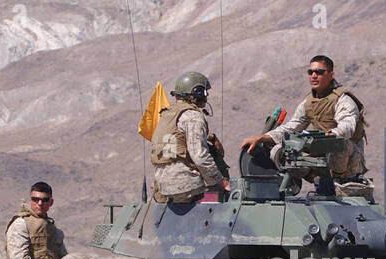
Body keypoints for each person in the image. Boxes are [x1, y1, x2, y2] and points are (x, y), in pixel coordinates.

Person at [239, 55, 372, 199]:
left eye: (319, 72)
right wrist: (262, 138)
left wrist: (333, 134)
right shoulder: (309, 103)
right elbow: (292, 127)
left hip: (347, 160)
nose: (314, 76)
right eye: (311, 72)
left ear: (331, 74)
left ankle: (337, 183)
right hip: (322, 156)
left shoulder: (343, 100)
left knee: (339, 143)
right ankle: (315, 179)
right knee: (280, 150)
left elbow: (348, 125)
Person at [150, 71, 231, 203]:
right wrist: (221, 182)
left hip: (162, 185)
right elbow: (200, 156)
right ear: (197, 93)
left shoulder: (167, 115)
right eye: (204, 92)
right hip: (184, 185)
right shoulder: (193, 116)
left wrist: (211, 137)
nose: (207, 96)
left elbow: (179, 136)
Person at [4, 181, 68, 259]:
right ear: (30, 201)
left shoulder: (53, 229)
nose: (40, 203)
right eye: (35, 199)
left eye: (45, 200)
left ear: (51, 202)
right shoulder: (20, 224)